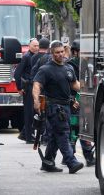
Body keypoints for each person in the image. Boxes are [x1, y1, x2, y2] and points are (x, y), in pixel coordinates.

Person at [33, 40, 84, 174]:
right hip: (54, 108)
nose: (60, 54)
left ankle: (47, 162)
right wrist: (36, 101)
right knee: (63, 133)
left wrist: (89, 89)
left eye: (62, 51)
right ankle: (71, 162)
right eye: (57, 52)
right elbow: (37, 85)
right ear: (51, 53)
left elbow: (75, 85)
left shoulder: (68, 68)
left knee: (55, 136)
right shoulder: (45, 69)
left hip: (66, 106)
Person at [67, 39, 95, 167]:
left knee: (81, 127)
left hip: (83, 99)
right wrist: (76, 99)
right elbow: (76, 85)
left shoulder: (85, 64)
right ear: (75, 52)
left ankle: (74, 155)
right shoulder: (71, 65)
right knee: (75, 128)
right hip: (75, 99)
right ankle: (80, 156)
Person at [14, 38, 39, 143]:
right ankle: (28, 137)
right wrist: (19, 88)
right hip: (28, 88)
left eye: (38, 46)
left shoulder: (36, 57)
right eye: (34, 46)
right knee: (29, 113)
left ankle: (25, 133)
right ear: (29, 46)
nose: (36, 48)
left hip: (35, 87)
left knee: (34, 112)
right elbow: (17, 74)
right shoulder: (26, 57)